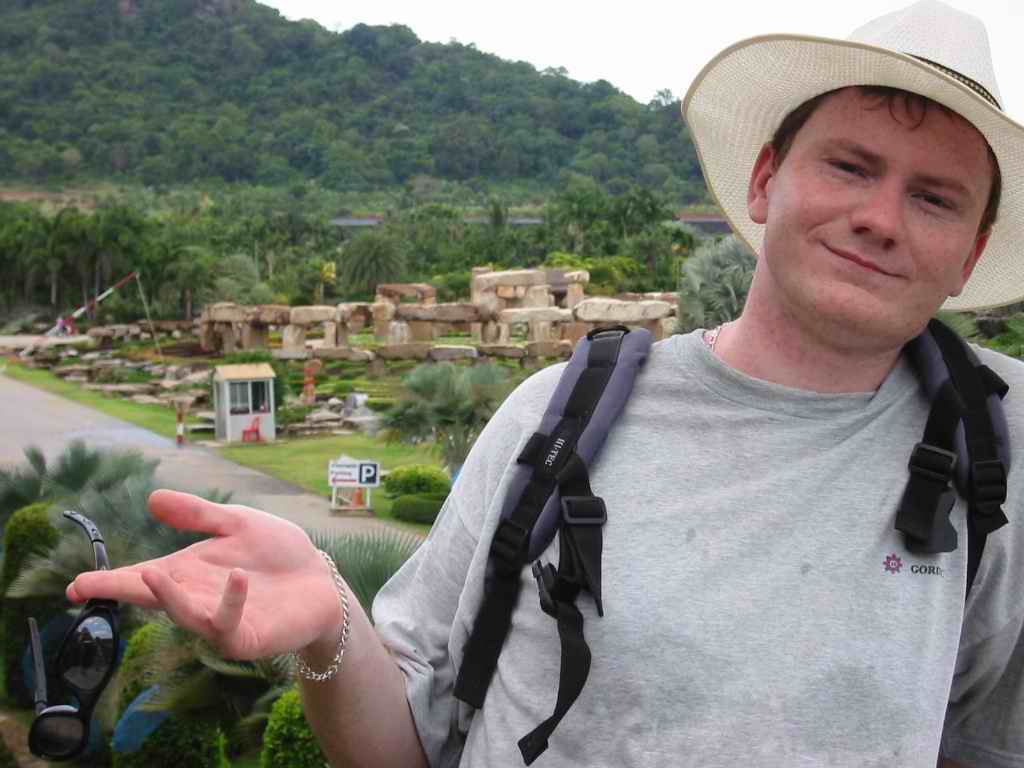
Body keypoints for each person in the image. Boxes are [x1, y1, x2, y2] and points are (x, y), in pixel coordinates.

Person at [65, 1, 1024, 765]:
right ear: (766, 179)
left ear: (971, 251)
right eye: (850, 166)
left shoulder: (1004, 449)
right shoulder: (562, 416)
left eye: (934, 197)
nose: (880, 218)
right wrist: (327, 628)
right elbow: (399, 748)